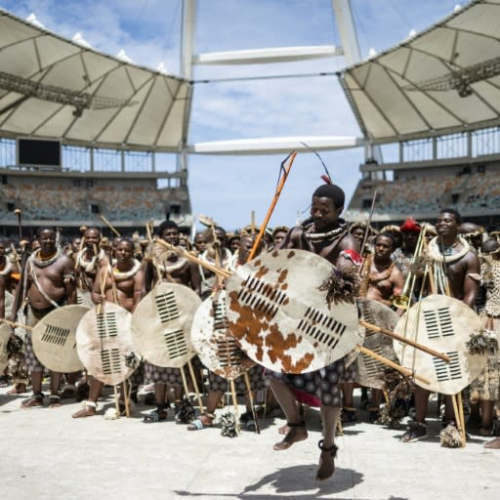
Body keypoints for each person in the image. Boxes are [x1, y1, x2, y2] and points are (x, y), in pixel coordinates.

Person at [268, 183, 361, 481]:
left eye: (325, 210)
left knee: (329, 389)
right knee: (273, 372)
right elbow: (274, 262)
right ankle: (296, 426)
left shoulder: (348, 241)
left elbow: (346, 275)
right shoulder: (299, 234)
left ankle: (328, 447)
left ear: (339, 211)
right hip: (297, 321)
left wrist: (342, 271)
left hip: (332, 326)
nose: (318, 214)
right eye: (315, 208)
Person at [401, 208, 480, 442]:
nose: (441, 224)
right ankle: (419, 423)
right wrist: (416, 271)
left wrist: (457, 319)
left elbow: (470, 295)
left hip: (454, 319)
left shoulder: (469, 256)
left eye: (447, 221)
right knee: (422, 371)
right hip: (428, 317)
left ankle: (451, 422)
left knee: (452, 372)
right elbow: (415, 286)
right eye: (438, 221)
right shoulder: (427, 252)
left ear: (458, 225)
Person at [72, 238, 144, 418]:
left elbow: (138, 298)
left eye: (127, 250)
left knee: (126, 363)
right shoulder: (105, 270)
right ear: (114, 251)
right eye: (120, 249)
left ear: (133, 252)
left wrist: (130, 321)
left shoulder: (137, 272)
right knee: (100, 361)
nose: (123, 253)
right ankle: (91, 405)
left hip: (126, 322)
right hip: (105, 320)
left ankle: (124, 401)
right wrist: (96, 298)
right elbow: (96, 292)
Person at [11, 227, 77, 409]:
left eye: (51, 238)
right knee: (32, 353)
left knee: (54, 352)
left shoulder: (64, 261)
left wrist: (71, 316)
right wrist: (13, 313)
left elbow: (71, 293)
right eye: (44, 238)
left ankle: (54, 395)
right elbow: (21, 288)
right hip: (33, 313)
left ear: (56, 238)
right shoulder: (30, 261)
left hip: (55, 312)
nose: (48, 241)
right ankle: (37, 395)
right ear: (38, 239)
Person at [469, 238, 500, 447]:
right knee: (488, 376)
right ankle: (486, 423)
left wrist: (480, 277)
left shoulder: (491, 268)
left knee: (490, 377)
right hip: (489, 323)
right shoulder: (489, 269)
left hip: (493, 323)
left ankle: (487, 424)